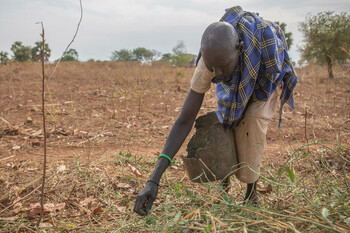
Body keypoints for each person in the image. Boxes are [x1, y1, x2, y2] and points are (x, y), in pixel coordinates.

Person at [134, 6, 297, 216]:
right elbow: (185, 120)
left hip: (266, 81)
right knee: (226, 120)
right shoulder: (210, 64)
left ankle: (251, 193)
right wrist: (153, 180)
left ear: (239, 49)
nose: (218, 74)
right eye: (213, 67)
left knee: (252, 122)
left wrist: (245, 106)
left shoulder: (265, 53)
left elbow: (268, 79)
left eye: (223, 66)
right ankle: (224, 180)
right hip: (238, 70)